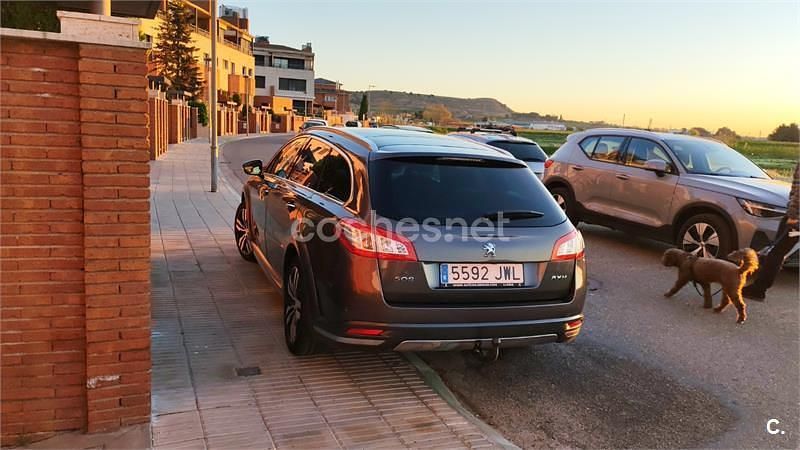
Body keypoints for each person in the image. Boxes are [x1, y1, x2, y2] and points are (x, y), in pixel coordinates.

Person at [742, 162, 799, 301]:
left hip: (796, 218)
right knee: (778, 251)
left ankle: (758, 290)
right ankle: (758, 286)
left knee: (776, 252)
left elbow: (798, 192)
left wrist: (792, 215)